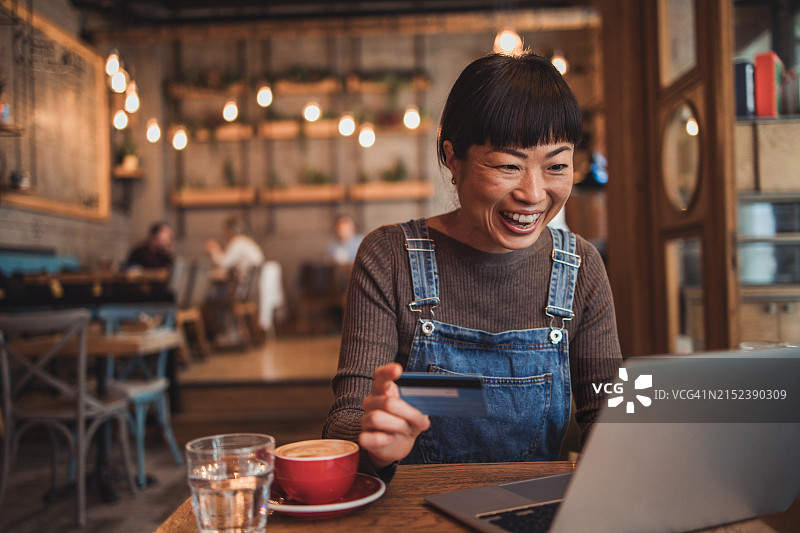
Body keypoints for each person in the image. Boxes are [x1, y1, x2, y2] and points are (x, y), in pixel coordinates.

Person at [322, 51, 622, 481]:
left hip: (530, 511)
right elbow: (343, 424)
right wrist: (374, 439)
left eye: (556, 166)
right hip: (414, 513)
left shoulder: (581, 267)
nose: (534, 194)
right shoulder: (389, 257)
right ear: (453, 158)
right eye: (507, 166)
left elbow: (605, 421)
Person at [204, 216, 265, 344]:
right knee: (218, 295)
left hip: (242, 290)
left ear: (229, 230)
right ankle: (232, 333)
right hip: (252, 290)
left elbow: (223, 263)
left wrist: (214, 249)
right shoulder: (247, 242)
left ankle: (224, 335)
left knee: (212, 298)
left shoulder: (238, 243)